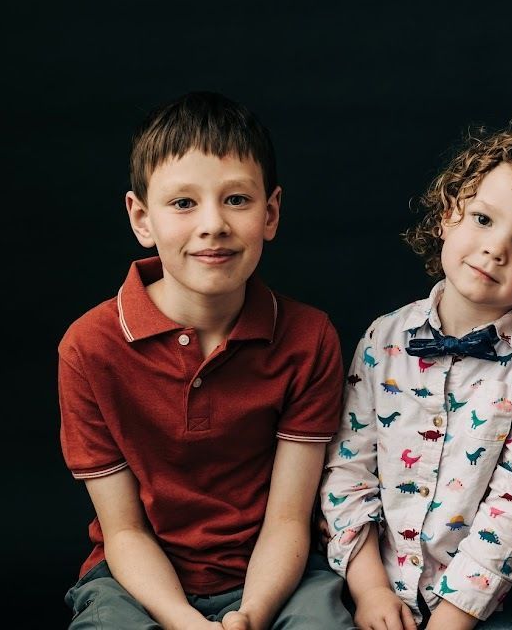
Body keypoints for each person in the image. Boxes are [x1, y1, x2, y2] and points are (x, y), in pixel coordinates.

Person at [58, 91, 354, 629]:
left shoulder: (309, 338)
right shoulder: (89, 347)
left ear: (271, 213)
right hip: (135, 579)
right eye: (183, 203)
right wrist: (183, 622)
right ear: (141, 218)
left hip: (276, 573)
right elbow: (123, 531)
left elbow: (288, 518)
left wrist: (252, 615)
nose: (213, 224)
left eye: (237, 200)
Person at [320, 128, 512, 630]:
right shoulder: (384, 338)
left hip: (481, 604)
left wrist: (454, 617)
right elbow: (348, 471)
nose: (495, 249)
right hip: (371, 590)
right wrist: (370, 591)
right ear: (450, 214)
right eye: (484, 219)